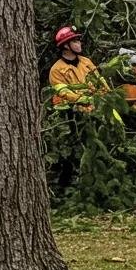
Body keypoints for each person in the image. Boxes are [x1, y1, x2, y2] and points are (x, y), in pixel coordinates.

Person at [48, 25, 109, 190]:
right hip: (68, 116)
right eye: (75, 40)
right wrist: (84, 99)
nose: (79, 43)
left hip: (91, 111)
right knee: (71, 151)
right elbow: (64, 93)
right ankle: (66, 185)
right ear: (66, 45)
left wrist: (107, 97)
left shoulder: (86, 62)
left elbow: (100, 83)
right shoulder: (56, 70)